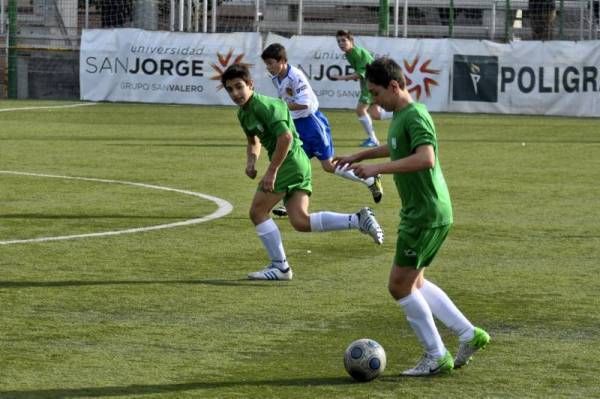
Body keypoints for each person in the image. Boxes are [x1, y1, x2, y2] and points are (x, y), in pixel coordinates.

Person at [335, 57, 489, 376]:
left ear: (394, 86)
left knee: (398, 286)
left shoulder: (415, 115)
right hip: (425, 211)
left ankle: (436, 355)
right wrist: (359, 155)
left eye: (376, 93)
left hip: (424, 213)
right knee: (414, 282)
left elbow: (425, 158)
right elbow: (396, 147)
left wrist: (376, 169)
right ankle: (468, 334)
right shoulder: (401, 115)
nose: (373, 100)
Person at [221, 63, 384, 281]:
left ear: (250, 84)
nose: (235, 93)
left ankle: (280, 267)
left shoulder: (266, 106)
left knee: (257, 212)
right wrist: (251, 162)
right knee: (300, 221)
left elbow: (286, 138)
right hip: (295, 164)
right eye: (230, 89)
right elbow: (253, 141)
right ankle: (358, 220)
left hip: (289, 163)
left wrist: (272, 171)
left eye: (239, 87)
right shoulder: (244, 113)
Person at [260, 43, 384, 219]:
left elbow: (305, 104)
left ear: (282, 61)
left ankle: (370, 178)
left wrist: (280, 106)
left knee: (328, 166)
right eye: (267, 64)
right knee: (292, 162)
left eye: (271, 63)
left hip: (312, 124)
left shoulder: (295, 77)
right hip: (296, 125)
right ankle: (291, 204)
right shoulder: (276, 77)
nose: (269, 67)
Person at [332, 30, 393, 148]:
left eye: (344, 40)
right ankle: (400, 111)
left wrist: (342, 77)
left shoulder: (356, 52)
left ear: (351, 41)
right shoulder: (350, 53)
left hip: (372, 83)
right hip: (371, 82)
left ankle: (373, 140)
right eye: (338, 41)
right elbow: (362, 71)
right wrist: (357, 75)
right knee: (375, 114)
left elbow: (361, 73)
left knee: (360, 110)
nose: (341, 43)